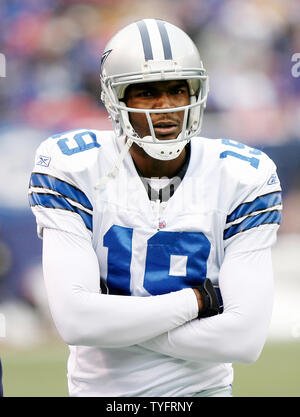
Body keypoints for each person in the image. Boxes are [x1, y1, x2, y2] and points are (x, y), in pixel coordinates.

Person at [28, 19, 282, 397]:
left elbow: (243, 341)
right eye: (146, 92)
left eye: (178, 90)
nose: (165, 107)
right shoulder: (72, 165)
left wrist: (112, 325)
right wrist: (199, 301)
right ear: (117, 100)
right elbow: (76, 322)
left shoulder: (243, 174)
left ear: (196, 92)